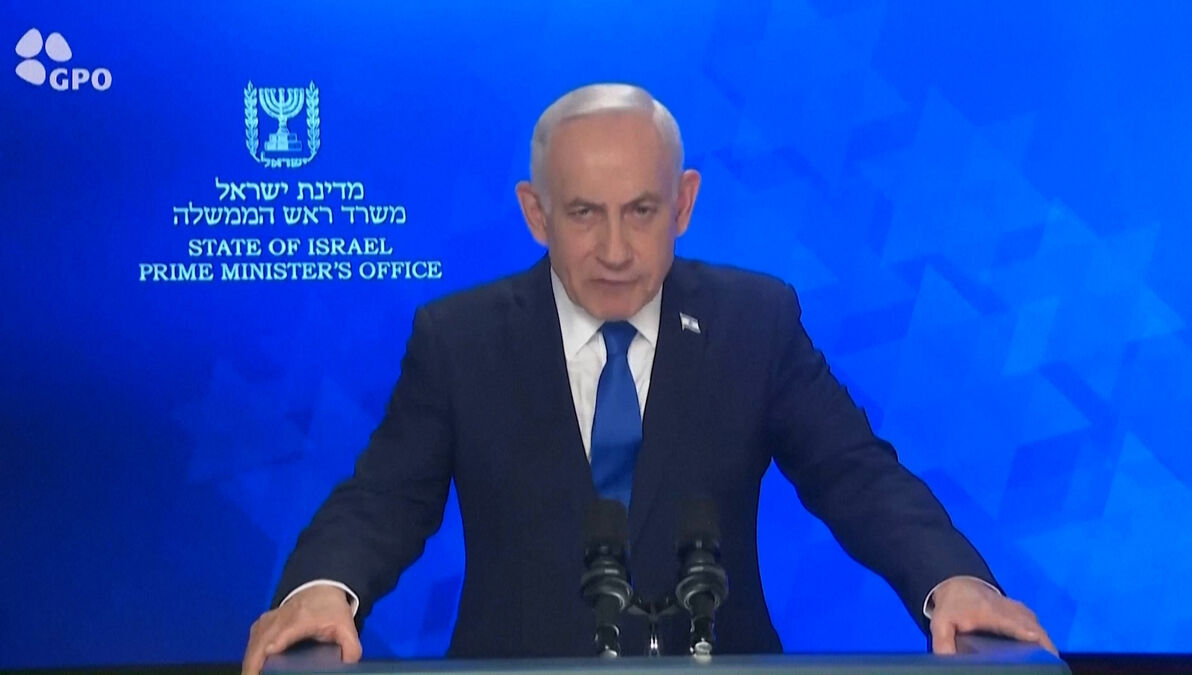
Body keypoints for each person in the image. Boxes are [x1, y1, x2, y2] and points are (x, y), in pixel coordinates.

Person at [242, 83, 1055, 673]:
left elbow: (857, 474)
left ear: (684, 203)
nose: (616, 250)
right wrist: (322, 588)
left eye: (641, 210)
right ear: (535, 213)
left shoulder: (754, 321)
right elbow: (384, 498)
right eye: (584, 213)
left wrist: (952, 579)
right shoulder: (460, 338)